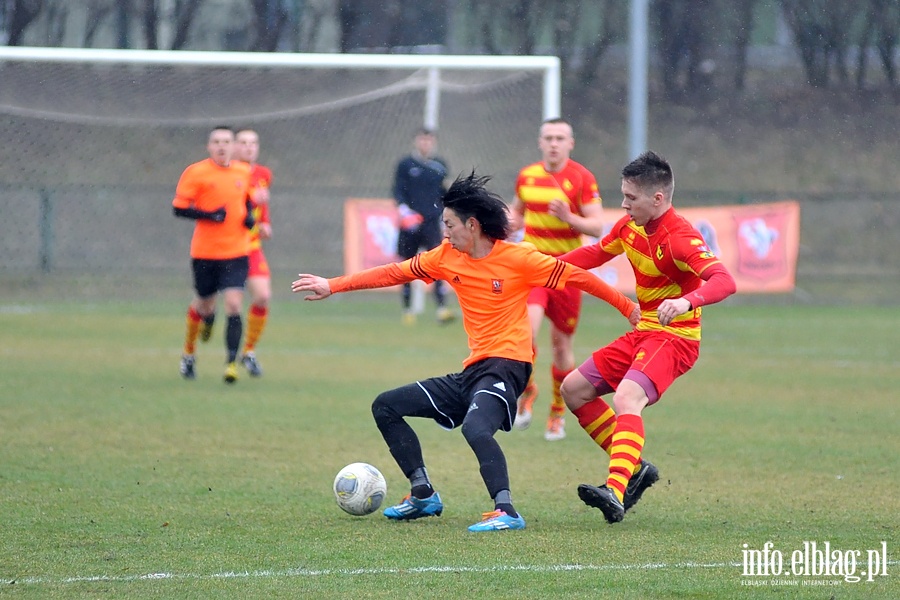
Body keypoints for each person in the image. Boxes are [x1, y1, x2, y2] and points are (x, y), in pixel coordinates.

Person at [292, 172, 639, 532]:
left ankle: (506, 511)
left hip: (509, 366)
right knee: (386, 405)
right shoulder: (445, 257)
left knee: (475, 427)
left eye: (449, 224)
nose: (445, 232)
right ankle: (423, 493)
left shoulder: (520, 259)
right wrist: (333, 284)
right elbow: (395, 272)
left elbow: (579, 277)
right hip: (473, 371)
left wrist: (627, 308)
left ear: (472, 225)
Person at [558, 151, 737, 524]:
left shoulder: (681, 238)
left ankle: (615, 488)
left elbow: (725, 281)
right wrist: (540, 264)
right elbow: (594, 254)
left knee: (627, 397)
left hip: (675, 339)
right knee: (573, 389)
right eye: (622, 195)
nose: (623, 204)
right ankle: (635, 469)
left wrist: (688, 301)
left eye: (630, 198)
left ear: (658, 198)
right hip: (643, 333)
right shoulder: (628, 227)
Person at [510, 118, 606, 441]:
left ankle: (557, 410)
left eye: (559, 138)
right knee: (525, 335)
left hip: (566, 272)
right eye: (548, 137)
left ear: (570, 143)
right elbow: (517, 215)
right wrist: (497, 225)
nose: (553, 143)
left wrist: (568, 217)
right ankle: (528, 389)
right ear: (540, 142)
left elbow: (596, 227)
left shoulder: (582, 178)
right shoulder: (527, 176)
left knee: (561, 346)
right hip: (534, 267)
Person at [173, 125, 254, 383]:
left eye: (226, 141)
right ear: (209, 147)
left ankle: (231, 364)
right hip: (205, 253)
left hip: (236, 251)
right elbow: (179, 208)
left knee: (233, 304)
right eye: (217, 142)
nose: (222, 146)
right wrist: (209, 215)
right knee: (204, 305)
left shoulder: (243, 171)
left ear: (234, 146)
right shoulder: (196, 172)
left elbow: (247, 200)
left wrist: (249, 218)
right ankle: (189, 353)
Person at [392, 127, 454, 325]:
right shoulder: (405, 164)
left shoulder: (439, 165)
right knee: (406, 266)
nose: (425, 143)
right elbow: (397, 190)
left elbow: (445, 192)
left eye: (429, 140)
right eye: (422, 140)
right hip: (410, 223)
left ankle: (442, 309)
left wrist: (444, 214)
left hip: (430, 223)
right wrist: (404, 210)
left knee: (435, 266)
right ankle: (408, 310)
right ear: (416, 141)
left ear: (433, 142)